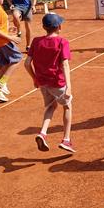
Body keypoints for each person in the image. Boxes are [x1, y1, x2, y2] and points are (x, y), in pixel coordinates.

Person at [25, 13, 75, 153]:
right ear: (59, 26)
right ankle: (66, 140)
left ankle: (42, 133)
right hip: (57, 82)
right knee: (67, 107)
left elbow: (27, 63)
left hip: (43, 83)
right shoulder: (62, 42)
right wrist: (69, 87)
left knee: (50, 106)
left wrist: (35, 78)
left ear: (43, 27)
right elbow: (65, 65)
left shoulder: (35, 41)